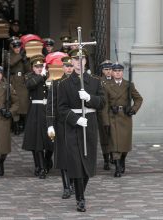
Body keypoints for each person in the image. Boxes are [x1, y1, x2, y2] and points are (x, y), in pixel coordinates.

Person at [58, 49, 105, 212]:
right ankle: (80, 199)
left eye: (81, 58)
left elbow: (103, 102)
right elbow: (61, 108)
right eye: (75, 59)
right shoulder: (64, 84)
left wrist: (90, 98)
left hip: (90, 124)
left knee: (88, 163)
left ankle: (80, 192)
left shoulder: (94, 81)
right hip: (74, 126)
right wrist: (76, 119)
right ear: (72, 61)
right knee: (76, 163)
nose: (78, 62)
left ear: (85, 61)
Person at [102, 62, 143, 177]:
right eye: (115, 71)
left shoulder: (129, 85)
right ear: (112, 72)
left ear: (122, 72)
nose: (117, 73)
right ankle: (118, 167)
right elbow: (104, 105)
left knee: (124, 145)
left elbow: (139, 99)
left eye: (119, 71)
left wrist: (133, 109)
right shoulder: (106, 85)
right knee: (114, 143)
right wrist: (105, 121)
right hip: (113, 116)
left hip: (125, 116)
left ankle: (122, 160)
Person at [46, 56, 74, 199]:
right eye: (66, 66)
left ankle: (75, 183)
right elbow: (51, 106)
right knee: (63, 155)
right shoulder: (56, 84)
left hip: (75, 124)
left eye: (71, 66)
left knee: (75, 155)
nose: (69, 68)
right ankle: (66, 186)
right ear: (62, 67)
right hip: (61, 124)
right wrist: (50, 125)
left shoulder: (80, 83)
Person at [22, 54, 53, 179]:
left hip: (48, 109)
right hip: (36, 110)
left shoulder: (49, 75)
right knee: (38, 140)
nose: (39, 68)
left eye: (41, 66)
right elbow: (30, 85)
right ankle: (40, 167)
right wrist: (42, 75)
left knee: (51, 139)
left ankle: (46, 161)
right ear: (32, 68)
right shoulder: (30, 77)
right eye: (37, 66)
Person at [9, 39, 30, 135]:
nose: (17, 49)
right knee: (15, 102)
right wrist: (19, 56)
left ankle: (24, 125)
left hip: (22, 81)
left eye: (19, 47)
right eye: (15, 47)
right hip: (13, 81)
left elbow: (28, 70)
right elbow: (10, 63)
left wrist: (25, 60)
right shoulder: (9, 54)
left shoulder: (22, 55)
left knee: (24, 103)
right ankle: (15, 125)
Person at [97, 60, 113, 170]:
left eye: (110, 69)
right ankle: (106, 159)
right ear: (102, 71)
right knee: (105, 138)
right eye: (106, 69)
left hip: (115, 115)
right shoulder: (99, 82)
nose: (109, 71)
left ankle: (114, 157)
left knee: (114, 137)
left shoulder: (117, 80)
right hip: (103, 113)